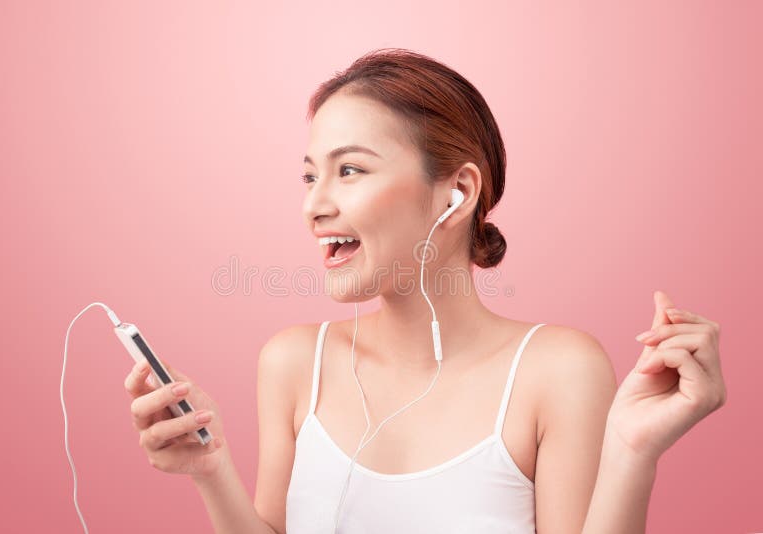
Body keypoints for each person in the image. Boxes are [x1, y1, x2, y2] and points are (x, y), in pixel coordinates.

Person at [123, 48, 726, 534]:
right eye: (310, 176)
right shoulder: (293, 363)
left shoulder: (557, 369)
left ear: (457, 194)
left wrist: (632, 453)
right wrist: (211, 472)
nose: (314, 205)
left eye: (349, 169)